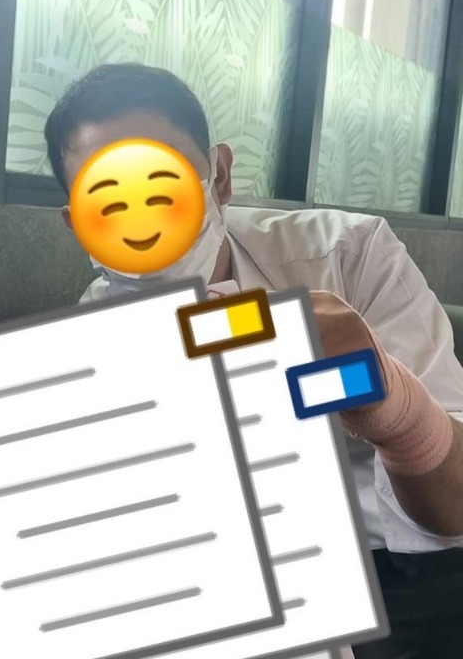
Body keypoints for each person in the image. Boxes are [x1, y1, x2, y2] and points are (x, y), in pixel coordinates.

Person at [44, 63, 463, 659]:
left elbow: (455, 510)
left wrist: (388, 401)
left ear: (218, 176)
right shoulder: (89, 339)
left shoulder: (347, 254)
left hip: (403, 567)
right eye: (106, 200)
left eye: (163, 183)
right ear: (76, 224)